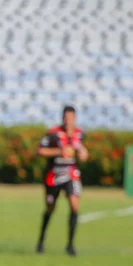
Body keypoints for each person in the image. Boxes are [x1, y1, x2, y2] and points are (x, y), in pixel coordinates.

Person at [36, 106, 88, 256]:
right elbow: (40, 151)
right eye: (66, 118)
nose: (68, 121)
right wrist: (59, 151)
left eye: (71, 118)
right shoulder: (53, 134)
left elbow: (80, 150)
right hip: (54, 175)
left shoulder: (80, 134)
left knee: (74, 204)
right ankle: (41, 240)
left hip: (71, 174)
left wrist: (83, 153)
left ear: (75, 119)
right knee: (50, 207)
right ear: (62, 118)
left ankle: (70, 245)